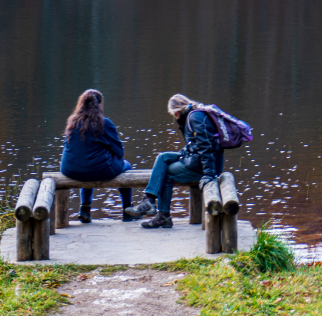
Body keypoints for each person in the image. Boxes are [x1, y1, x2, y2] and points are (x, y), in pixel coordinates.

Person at [125, 93, 223, 228]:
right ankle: (148, 200)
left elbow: (206, 147)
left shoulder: (194, 118)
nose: (174, 117)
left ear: (177, 111)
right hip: (195, 159)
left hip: (203, 167)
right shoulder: (194, 114)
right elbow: (195, 144)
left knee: (168, 172)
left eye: (174, 114)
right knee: (163, 157)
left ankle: (163, 216)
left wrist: (209, 174)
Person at [59, 89, 133, 223]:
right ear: (99, 105)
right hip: (97, 169)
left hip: (70, 169)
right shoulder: (104, 123)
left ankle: (84, 210)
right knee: (126, 165)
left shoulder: (72, 122)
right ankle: (128, 211)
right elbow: (119, 152)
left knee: (87, 162)